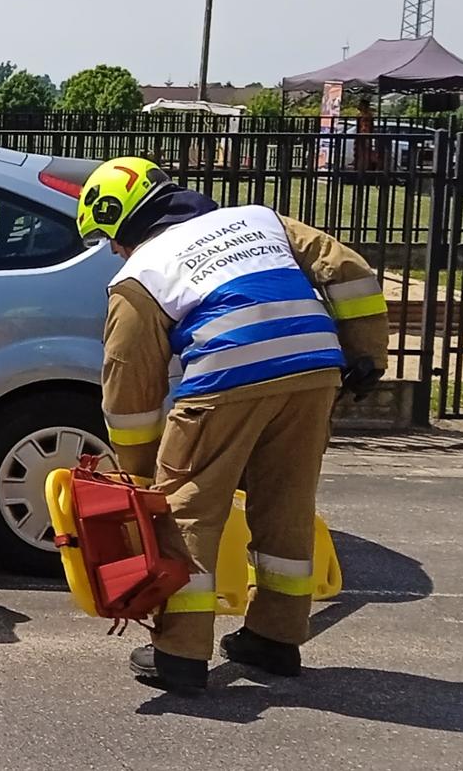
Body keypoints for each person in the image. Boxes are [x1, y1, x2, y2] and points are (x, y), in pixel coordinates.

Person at [77, 156, 388, 695]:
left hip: (227, 375)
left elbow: (130, 390)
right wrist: (366, 354)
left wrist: (140, 476)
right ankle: (274, 638)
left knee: (186, 513)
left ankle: (178, 653)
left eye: (111, 237)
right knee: (286, 504)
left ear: (125, 221)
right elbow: (350, 269)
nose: (113, 251)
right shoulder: (258, 219)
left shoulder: (139, 276)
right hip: (314, 370)